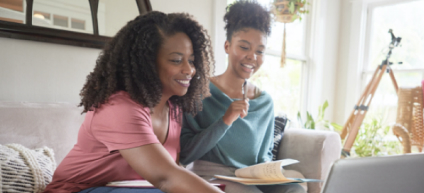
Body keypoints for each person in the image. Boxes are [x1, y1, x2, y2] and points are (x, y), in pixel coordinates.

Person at [43, 11, 223, 193]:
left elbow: (171, 174)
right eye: (177, 60)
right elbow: (166, 178)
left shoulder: (173, 110)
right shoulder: (118, 108)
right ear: (146, 63)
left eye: (191, 61)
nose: (189, 70)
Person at [179, 1, 306, 193]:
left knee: (295, 188)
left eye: (260, 51)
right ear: (227, 46)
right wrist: (226, 120)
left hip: (251, 178)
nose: (252, 57)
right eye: (244, 47)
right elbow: (186, 155)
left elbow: (264, 156)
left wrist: (270, 172)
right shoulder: (199, 91)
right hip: (212, 178)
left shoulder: (265, 103)